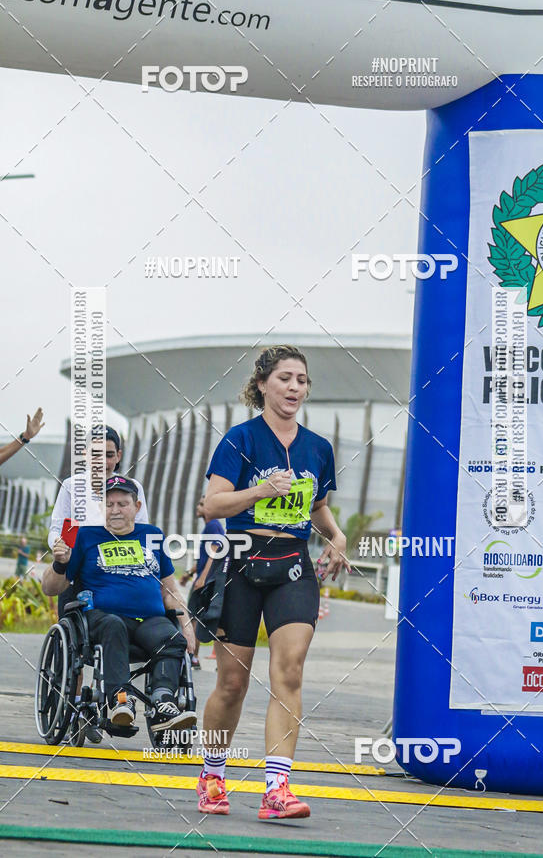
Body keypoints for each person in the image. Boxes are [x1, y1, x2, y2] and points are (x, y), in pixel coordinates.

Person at [197, 345, 350, 820]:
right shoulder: (240, 439)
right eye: (285, 378)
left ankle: (276, 790)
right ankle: (213, 776)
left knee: (290, 671)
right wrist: (261, 490)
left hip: (292, 564)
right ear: (263, 385)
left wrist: (337, 535)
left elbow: (317, 506)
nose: (294, 388)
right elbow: (212, 505)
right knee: (231, 682)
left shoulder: (318, 448)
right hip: (242, 563)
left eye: (302, 380)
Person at [42, 475, 197, 733]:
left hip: (150, 620)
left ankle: (164, 700)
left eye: (122, 504)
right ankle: (120, 701)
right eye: (109, 504)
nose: (115, 510)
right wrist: (60, 563)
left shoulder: (153, 535)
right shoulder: (86, 537)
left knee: (172, 637)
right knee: (114, 626)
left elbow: (169, 589)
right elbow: (51, 587)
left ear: (136, 507)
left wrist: (187, 625)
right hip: (104, 618)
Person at [48, 425, 148, 548]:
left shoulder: (133, 487)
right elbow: (56, 528)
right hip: (80, 558)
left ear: (118, 456)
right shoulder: (71, 485)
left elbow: (142, 529)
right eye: (95, 454)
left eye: (109, 455)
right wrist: (58, 545)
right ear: (85, 454)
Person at [180, 495, 225, 668]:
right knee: (200, 617)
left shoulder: (213, 525)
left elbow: (214, 552)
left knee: (193, 618)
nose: (198, 507)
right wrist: (188, 573)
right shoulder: (210, 526)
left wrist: (203, 578)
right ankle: (197, 657)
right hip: (206, 577)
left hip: (207, 579)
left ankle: (193, 657)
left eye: (201, 504)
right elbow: (204, 557)